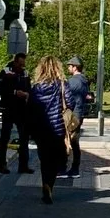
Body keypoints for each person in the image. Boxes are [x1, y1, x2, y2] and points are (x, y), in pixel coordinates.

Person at [27, 55, 68, 202]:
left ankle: (45, 184)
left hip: (40, 128)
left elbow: (30, 106)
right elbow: (70, 103)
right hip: (57, 128)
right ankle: (49, 185)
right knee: (57, 159)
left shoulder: (36, 87)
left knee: (44, 159)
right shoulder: (62, 84)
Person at [0, 53, 32, 174]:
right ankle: (2, 165)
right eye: (20, 64)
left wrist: (27, 94)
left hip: (22, 110)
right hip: (8, 108)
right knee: (5, 137)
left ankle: (24, 165)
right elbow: (0, 89)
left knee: (24, 138)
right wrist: (15, 92)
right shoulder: (6, 71)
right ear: (15, 62)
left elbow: (29, 88)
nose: (22, 67)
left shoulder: (25, 73)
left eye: (23, 65)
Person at [64, 55, 91, 179]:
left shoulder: (73, 81)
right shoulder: (84, 81)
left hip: (73, 114)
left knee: (67, 141)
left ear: (75, 67)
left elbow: (66, 96)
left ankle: (64, 168)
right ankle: (75, 168)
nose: (68, 68)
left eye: (70, 66)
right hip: (79, 113)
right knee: (75, 142)